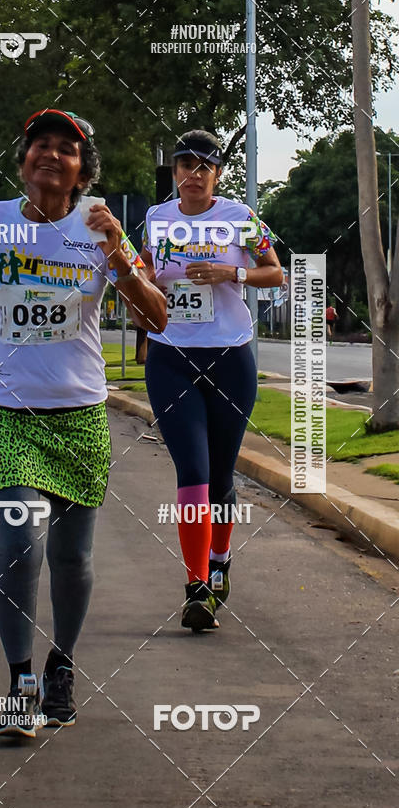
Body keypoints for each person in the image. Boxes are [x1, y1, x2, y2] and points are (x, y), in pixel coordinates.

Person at [0, 109, 166, 737]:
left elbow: (157, 319)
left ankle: (62, 664)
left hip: (81, 412)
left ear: (81, 171)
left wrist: (119, 252)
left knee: (72, 557)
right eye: (41, 144)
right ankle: (20, 681)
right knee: (17, 547)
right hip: (7, 412)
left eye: (66, 149)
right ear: (23, 160)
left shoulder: (98, 228)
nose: (51, 155)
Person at [141, 129, 283, 632]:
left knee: (222, 477)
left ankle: (221, 562)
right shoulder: (157, 221)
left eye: (204, 165)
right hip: (171, 358)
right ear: (175, 171)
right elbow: (142, 277)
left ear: (217, 173)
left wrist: (231, 274)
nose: (194, 173)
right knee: (193, 474)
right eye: (186, 164)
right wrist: (142, 290)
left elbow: (276, 273)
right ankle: (196, 588)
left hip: (229, 358)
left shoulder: (240, 220)